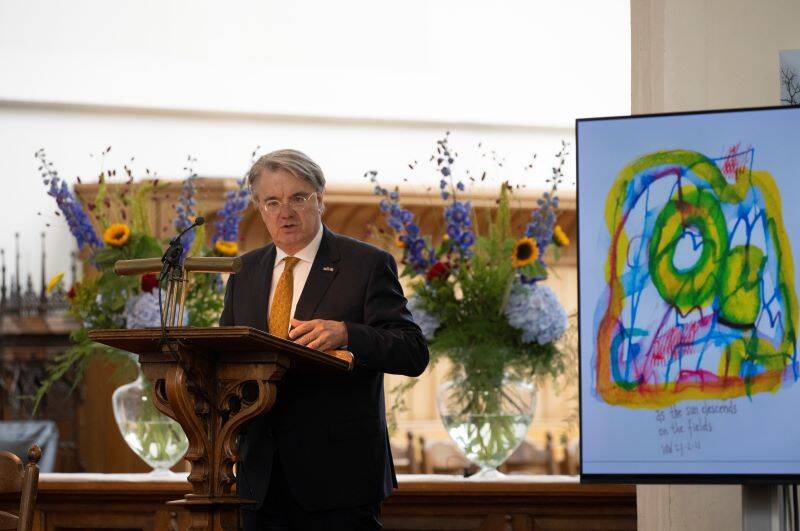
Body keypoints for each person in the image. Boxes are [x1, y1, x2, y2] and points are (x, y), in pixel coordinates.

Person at [219, 149, 429, 530]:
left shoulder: (366, 264)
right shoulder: (243, 271)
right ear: (259, 208)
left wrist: (349, 333)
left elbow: (412, 351)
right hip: (259, 480)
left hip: (340, 481)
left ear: (320, 199)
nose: (285, 212)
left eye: (298, 198)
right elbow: (225, 356)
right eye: (272, 202)